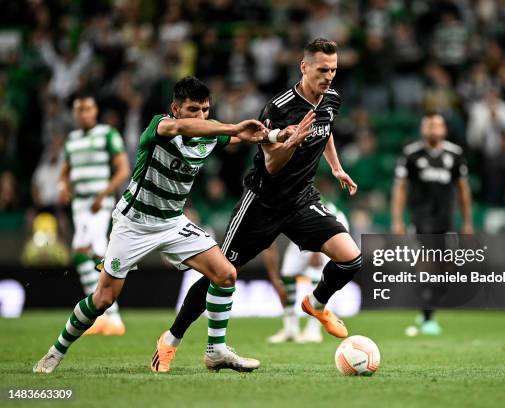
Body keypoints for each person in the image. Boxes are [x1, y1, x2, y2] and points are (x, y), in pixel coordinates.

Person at [33, 76, 312, 374]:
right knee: (103, 298)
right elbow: (190, 128)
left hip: (172, 222)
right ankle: (55, 352)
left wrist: (278, 136)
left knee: (226, 274)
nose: (201, 116)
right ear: (175, 109)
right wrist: (232, 127)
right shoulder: (161, 126)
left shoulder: (208, 132)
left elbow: (244, 137)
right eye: (193, 109)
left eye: (205, 110)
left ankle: (216, 351)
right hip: (134, 222)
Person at [152, 38, 362, 373]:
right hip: (262, 203)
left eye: (333, 70)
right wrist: (291, 141)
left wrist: (335, 166)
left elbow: (326, 130)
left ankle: (317, 304)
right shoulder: (278, 109)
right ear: (304, 67)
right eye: (322, 70)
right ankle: (170, 340)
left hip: (301, 200)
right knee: (217, 274)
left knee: (351, 258)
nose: (329, 77)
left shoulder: (332, 99)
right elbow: (273, 165)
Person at [391, 112, 473, 335]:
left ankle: (427, 310)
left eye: (437, 125)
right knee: (427, 269)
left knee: (448, 272)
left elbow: (463, 190)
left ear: (444, 129)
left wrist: (467, 221)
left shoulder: (454, 155)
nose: (433, 129)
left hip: (446, 223)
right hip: (421, 222)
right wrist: (397, 220)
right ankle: (427, 318)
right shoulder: (411, 154)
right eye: (429, 125)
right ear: (423, 128)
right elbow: (400, 187)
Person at [60, 95, 130, 336]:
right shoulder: (72, 140)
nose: (83, 113)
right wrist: (64, 186)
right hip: (80, 205)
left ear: (95, 110)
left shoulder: (107, 134)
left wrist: (104, 193)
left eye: (88, 108)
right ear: (74, 113)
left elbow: (123, 170)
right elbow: (65, 171)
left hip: (98, 203)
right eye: (79, 109)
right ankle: (105, 316)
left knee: (91, 252)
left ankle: (112, 317)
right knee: (85, 256)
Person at [267, 200, 349, 344]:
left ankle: (313, 330)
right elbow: (268, 246)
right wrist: (275, 280)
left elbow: (320, 209)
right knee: (287, 273)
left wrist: (318, 248)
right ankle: (290, 329)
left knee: (318, 275)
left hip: (329, 224)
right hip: (302, 228)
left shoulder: (291, 194)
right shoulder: (267, 210)